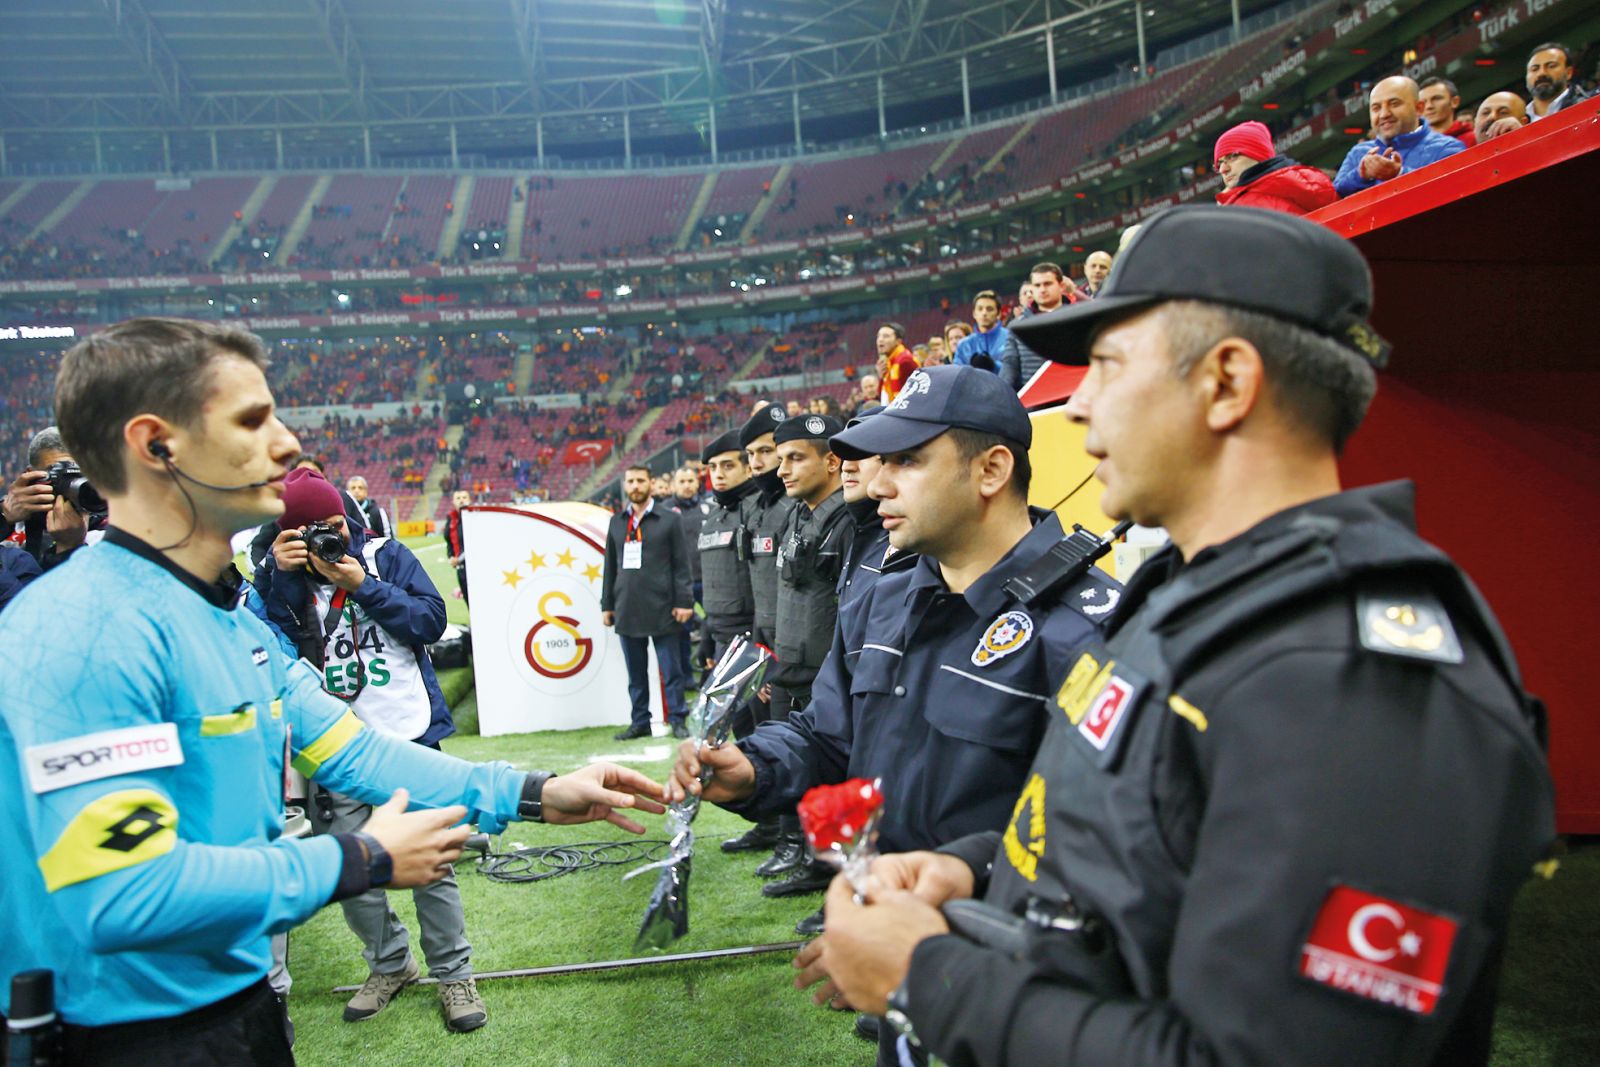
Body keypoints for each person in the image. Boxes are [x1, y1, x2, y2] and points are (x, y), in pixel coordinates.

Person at [803, 206, 1555, 1067]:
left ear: (1227, 383)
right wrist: (978, 871)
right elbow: (1148, 835)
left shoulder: (1355, 677)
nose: (1078, 400)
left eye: (1109, 364)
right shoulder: (1192, 597)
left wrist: (930, 977)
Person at [0, 317, 666, 1063]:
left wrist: (537, 791)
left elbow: (359, 755)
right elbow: (122, 896)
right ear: (158, 445)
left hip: (239, 1011)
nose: (286, 444)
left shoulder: (233, 623)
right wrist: (363, 858)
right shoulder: (81, 628)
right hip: (119, 1038)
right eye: (253, 420)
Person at [668, 365, 1120, 1062]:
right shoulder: (884, 594)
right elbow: (828, 733)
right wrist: (753, 769)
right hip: (899, 987)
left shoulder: (1087, 628)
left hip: (1019, 1000)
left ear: (992, 468)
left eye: (907, 461)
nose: (876, 484)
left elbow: (1103, 848)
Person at [257, 468, 483, 1031]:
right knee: (350, 868)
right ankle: (390, 962)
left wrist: (363, 585)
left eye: (335, 524)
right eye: (313, 531)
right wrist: (277, 579)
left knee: (433, 862)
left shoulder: (385, 554)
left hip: (407, 732)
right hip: (333, 743)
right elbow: (271, 643)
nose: (331, 537)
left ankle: (454, 976)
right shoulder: (282, 575)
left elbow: (431, 622)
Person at [760, 413, 853, 900]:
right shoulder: (797, 511)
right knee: (802, 775)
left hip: (825, 672)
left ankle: (836, 876)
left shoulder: (850, 520)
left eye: (795, 458)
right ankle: (803, 853)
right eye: (781, 460)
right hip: (792, 664)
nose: (782, 470)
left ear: (832, 460)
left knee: (833, 779)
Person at [731, 401, 792, 859]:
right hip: (764, 640)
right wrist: (758, 649)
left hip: (795, 647)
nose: (758, 463)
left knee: (788, 742)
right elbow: (758, 585)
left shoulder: (797, 505)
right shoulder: (753, 506)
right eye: (751, 454)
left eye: (766, 452)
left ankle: (798, 840)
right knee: (754, 734)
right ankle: (772, 826)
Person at [601, 465, 694, 741]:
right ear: (625, 486)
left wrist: (684, 601)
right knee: (636, 674)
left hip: (664, 607)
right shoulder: (617, 521)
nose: (636, 485)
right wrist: (607, 604)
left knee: (671, 671)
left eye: (641, 480)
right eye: (631, 481)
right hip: (627, 607)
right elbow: (609, 566)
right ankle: (640, 721)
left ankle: (678, 718)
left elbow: (682, 564)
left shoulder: (669, 519)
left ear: (651, 484)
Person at [1334, 75, 1466, 197]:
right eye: (1376, 108)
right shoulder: (1358, 153)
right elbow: (1335, 197)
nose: (1384, 114)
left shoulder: (1448, 148)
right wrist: (1361, 175)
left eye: (1394, 104)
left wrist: (1399, 174)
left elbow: (1452, 192)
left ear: (1419, 108)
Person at [1212, 120, 1337, 216]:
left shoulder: (1242, 208)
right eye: (1219, 163)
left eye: (1233, 156)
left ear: (1258, 154)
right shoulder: (1312, 184)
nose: (1223, 169)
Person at [665, 464, 709, 685]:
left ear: (697, 483)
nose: (687, 485)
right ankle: (686, 678)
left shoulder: (710, 507)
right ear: (673, 485)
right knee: (682, 633)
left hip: (710, 581)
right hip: (681, 584)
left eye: (690, 481)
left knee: (714, 629)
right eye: (682, 481)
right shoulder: (664, 511)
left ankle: (711, 675)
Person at [999, 263, 1072, 392]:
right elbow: (1010, 365)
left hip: (1073, 396)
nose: (1042, 289)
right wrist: (1002, 395)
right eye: (1037, 285)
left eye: (1048, 284)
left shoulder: (1078, 318)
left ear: (1061, 286)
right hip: (1037, 403)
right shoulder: (1017, 326)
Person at [1526, 41, 1590, 120]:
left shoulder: (1592, 107)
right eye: (1534, 69)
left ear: (1569, 73)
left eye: (1551, 66)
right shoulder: (1518, 119)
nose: (1541, 73)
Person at [952, 290, 1007, 373]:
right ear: (974, 313)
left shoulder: (1010, 338)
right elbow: (957, 375)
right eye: (980, 309)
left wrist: (994, 366)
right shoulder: (964, 345)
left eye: (989, 309)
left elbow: (1018, 371)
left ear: (998, 314)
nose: (984, 313)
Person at [1418, 76, 1476, 146]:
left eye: (1436, 99)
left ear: (1454, 102)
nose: (1429, 106)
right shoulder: (1414, 147)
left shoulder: (1475, 139)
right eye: (1423, 102)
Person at [877, 324, 921, 404]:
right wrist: (881, 377)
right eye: (878, 336)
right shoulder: (889, 362)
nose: (880, 339)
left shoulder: (905, 361)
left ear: (898, 341)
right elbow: (883, 396)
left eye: (886, 336)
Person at [442, 487, 471, 603]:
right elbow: (449, 541)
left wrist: (459, 559)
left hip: (473, 566)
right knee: (468, 600)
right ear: (453, 502)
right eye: (458, 498)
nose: (461, 500)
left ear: (469, 500)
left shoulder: (473, 518)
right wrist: (451, 557)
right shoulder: (451, 519)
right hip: (460, 568)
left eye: (464, 497)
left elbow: (472, 545)